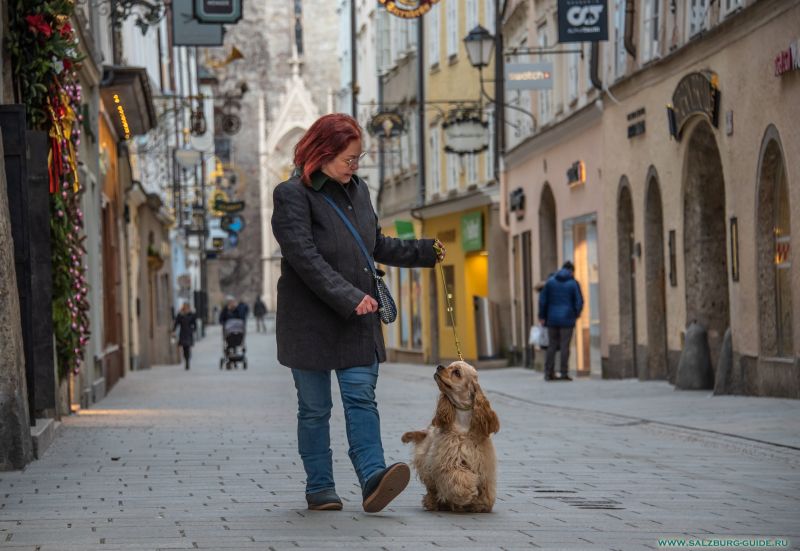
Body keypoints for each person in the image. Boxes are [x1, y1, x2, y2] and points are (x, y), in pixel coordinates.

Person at [271, 113, 446, 513]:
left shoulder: (359, 190)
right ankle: (320, 487)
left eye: (357, 158)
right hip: (310, 323)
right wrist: (348, 295)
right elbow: (304, 257)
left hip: (357, 321)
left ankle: (373, 477)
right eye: (349, 159)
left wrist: (422, 251)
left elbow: (374, 243)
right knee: (315, 410)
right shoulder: (291, 195)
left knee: (361, 399)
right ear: (321, 153)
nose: (355, 166)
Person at [538, 261, 584, 382]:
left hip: (552, 319)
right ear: (572, 271)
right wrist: (576, 314)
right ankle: (564, 373)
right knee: (565, 346)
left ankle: (548, 372)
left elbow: (543, 300)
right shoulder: (573, 283)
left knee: (552, 346)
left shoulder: (550, 282)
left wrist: (542, 316)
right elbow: (579, 301)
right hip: (568, 319)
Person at [173, 302, 197, 370]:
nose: (186, 308)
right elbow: (176, 323)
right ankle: (186, 360)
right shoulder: (180, 315)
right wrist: (173, 330)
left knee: (188, 347)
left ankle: (187, 361)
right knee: (184, 348)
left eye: (187, 307)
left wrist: (194, 329)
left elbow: (194, 324)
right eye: (185, 307)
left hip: (189, 332)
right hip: (183, 333)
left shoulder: (191, 314)